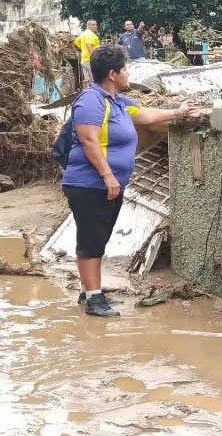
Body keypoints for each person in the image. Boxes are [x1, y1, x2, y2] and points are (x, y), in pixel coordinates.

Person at [62, 45, 198, 317]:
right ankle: (93, 299)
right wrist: (108, 176)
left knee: (97, 237)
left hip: (104, 184)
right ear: (112, 74)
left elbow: (147, 115)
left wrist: (178, 112)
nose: (128, 73)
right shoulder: (91, 100)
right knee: (91, 239)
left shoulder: (118, 102)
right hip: (90, 183)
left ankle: (91, 289)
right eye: (125, 69)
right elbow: (89, 140)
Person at [74, 19, 100, 86]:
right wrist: (93, 58)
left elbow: (76, 42)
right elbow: (89, 45)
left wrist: (82, 49)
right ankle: (94, 94)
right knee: (94, 79)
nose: (95, 26)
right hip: (90, 60)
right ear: (88, 26)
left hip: (84, 60)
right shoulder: (89, 34)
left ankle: (88, 94)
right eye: (93, 24)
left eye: (96, 25)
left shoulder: (84, 34)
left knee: (88, 80)